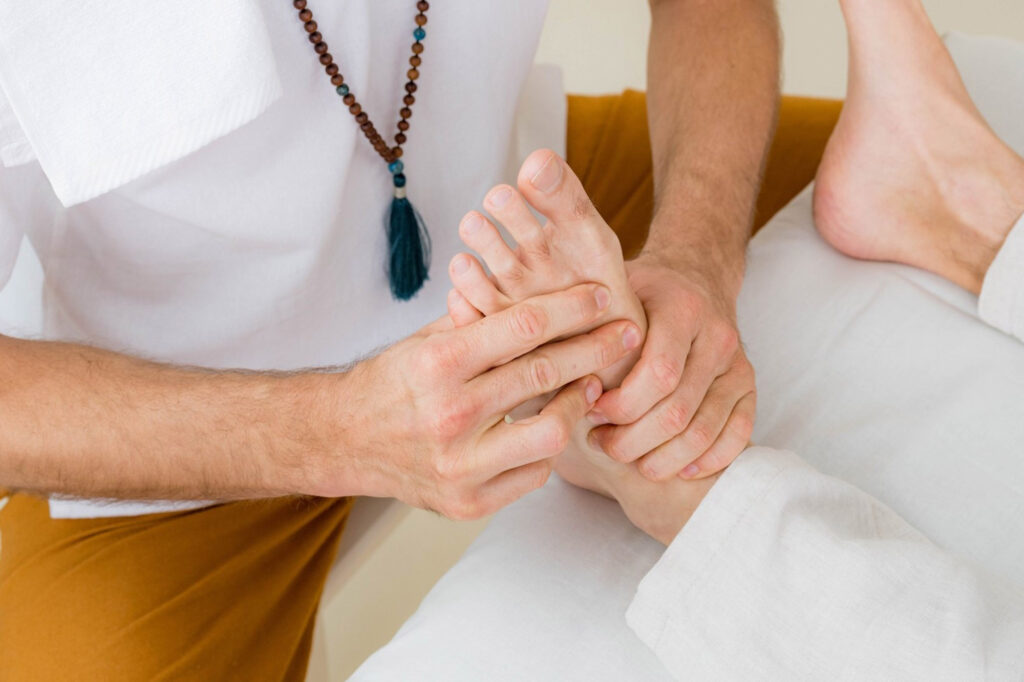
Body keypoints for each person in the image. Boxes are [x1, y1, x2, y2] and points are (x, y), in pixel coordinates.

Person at [0, 0, 780, 679]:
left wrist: (697, 254)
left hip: (523, 218)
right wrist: (336, 433)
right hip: (185, 414)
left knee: (864, 208)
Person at [441, 0, 1024, 677]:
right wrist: (343, 430)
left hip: (497, 157)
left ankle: (691, 490)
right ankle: (976, 213)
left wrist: (698, 256)